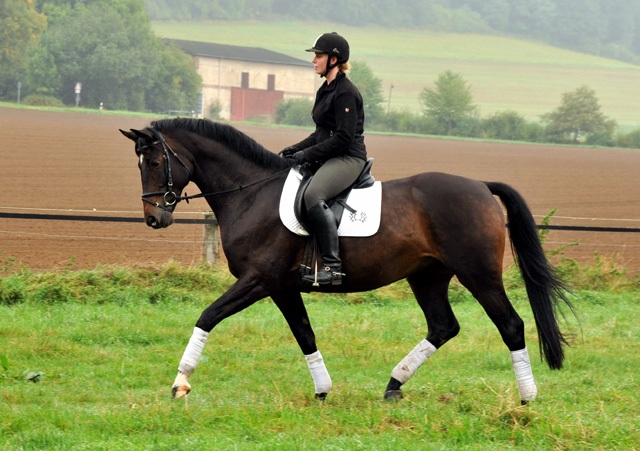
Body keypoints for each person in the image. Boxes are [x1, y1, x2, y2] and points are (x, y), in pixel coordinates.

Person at [282, 32, 367, 286]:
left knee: (313, 195)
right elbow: (321, 133)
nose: (314, 60)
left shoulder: (346, 92)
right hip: (330, 155)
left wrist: (306, 155)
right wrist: (294, 149)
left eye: (318, 55)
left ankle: (332, 267)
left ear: (333, 59)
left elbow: (342, 138)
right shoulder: (326, 89)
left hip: (348, 158)